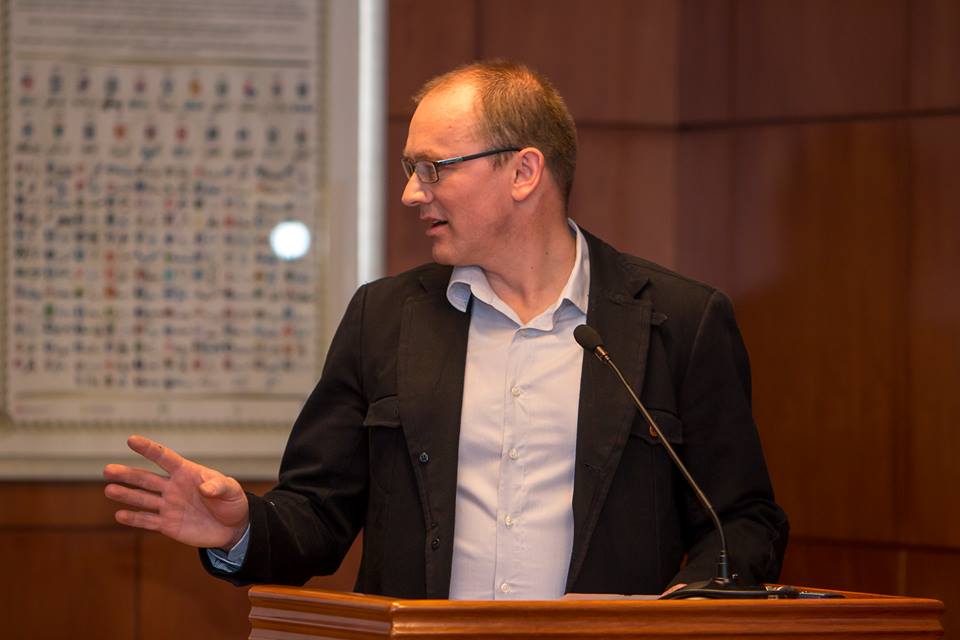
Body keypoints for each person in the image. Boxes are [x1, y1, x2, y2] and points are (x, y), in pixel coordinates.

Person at [104, 60, 788, 599]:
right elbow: (317, 512)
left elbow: (741, 523)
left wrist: (685, 615)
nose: (412, 192)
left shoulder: (679, 321)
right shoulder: (383, 319)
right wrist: (241, 529)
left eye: (433, 168)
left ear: (523, 171)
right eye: (411, 170)